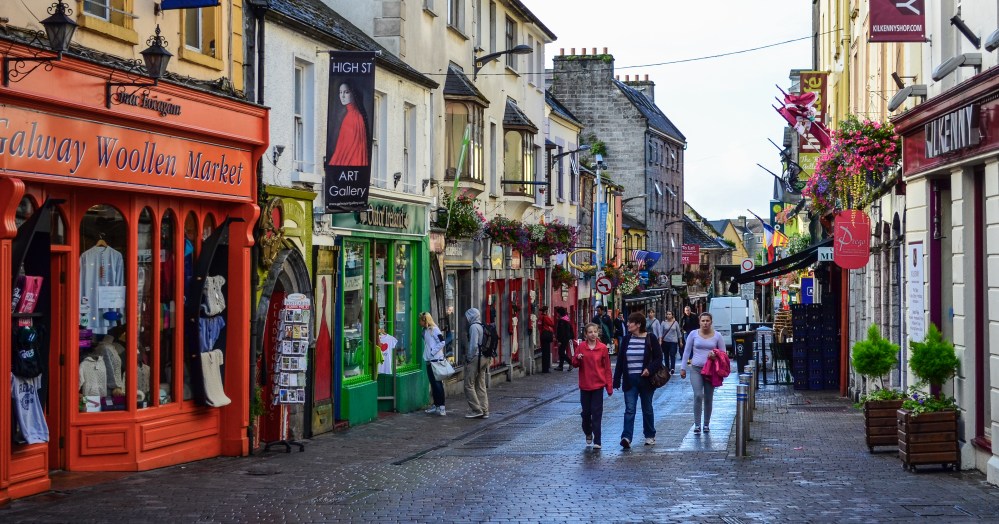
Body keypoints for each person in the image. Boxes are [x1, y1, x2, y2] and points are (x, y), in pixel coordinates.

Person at [612, 312, 663, 448]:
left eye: (631, 322)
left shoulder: (650, 338)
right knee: (630, 410)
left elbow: (659, 358)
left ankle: (650, 435)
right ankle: (626, 437)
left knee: (647, 408)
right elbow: (620, 361)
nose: (627, 324)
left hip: (646, 381)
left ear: (639, 324)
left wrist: (649, 369)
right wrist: (616, 379)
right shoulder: (626, 339)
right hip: (630, 380)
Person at [680, 312, 725, 434]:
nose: (705, 323)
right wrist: (683, 368)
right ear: (699, 322)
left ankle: (706, 424)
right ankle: (697, 424)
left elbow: (723, 354)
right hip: (696, 369)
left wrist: (715, 356)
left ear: (711, 322)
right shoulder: (693, 334)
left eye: (707, 321)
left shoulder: (717, 336)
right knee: (698, 395)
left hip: (711, 372)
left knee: (709, 398)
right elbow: (686, 351)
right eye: (703, 321)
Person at [571, 323, 613, 450]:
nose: (593, 334)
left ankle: (598, 440)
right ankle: (588, 431)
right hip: (585, 386)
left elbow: (607, 368)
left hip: (598, 386)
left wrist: (609, 386)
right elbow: (574, 363)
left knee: (596, 413)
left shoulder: (602, 348)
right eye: (590, 332)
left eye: (595, 331)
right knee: (586, 413)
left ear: (598, 333)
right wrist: (577, 358)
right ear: (586, 334)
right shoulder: (581, 347)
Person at [328, 81, 369, 167]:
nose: (342, 96)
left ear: (354, 93)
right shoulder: (348, 116)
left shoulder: (355, 117)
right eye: (340, 92)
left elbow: (352, 151)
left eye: (346, 92)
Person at [463, 308, 489, 419]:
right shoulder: (482, 326)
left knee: (468, 385)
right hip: (484, 358)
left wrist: (469, 358)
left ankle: (476, 409)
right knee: (481, 384)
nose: (466, 319)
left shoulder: (473, 327)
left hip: (476, 358)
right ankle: (484, 410)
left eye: (468, 316)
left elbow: (473, 345)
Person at [420, 311, 447, 416]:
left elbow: (442, 342)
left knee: (437, 384)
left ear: (425, 320)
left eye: (420, 320)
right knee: (433, 383)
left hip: (435, 360)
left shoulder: (434, 330)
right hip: (429, 360)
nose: (419, 322)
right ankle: (436, 405)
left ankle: (442, 407)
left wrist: (432, 352)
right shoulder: (425, 330)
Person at [555, 306, 574, 372]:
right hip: (566, 338)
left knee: (561, 352)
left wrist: (559, 340)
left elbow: (561, 332)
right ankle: (560, 366)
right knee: (561, 352)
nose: (557, 314)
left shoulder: (562, 321)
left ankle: (570, 363)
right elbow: (571, 329)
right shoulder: (567, 319)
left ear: (560, 313)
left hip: (563, 339)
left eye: (557, 313)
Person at [537, 306, 555, 373]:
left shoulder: (540, 318)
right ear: (546, 311)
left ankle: (544, 368)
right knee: (547, 352)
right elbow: (552, 323)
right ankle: (546, 369)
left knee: (544, 352)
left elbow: (539, 326)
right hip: (546, 335)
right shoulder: (545, 317)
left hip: (542, 335)